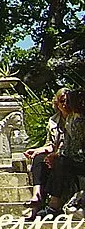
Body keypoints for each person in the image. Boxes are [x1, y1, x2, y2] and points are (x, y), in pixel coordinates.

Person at [26, 87, 85, 217]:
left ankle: (54, 204)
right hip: (65, 153)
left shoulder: (78, 120)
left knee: (60, 162)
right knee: (39, 158)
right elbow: (52, 144)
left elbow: (76, 148)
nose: (66, 104)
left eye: (69, 101)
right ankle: (37, 197)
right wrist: (41, 151)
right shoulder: (57, 121)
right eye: (62, 101)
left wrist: (57, 155)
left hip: (77, 159)